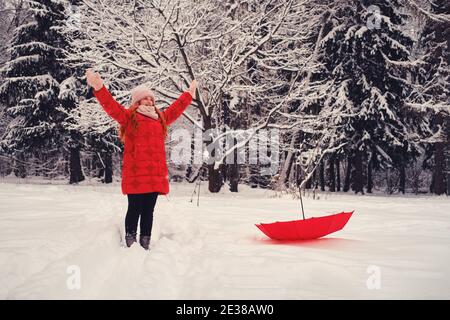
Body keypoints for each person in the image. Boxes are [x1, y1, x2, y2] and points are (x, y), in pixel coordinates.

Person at [86, 69, 197, 250]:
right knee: (134, 208)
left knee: (149, 211)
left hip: (155, 174)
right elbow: (112, 107)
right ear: (137, 101)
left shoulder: (160, 118)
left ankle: (145, 241)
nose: (150, 101)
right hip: (136, 174)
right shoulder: (130, 117)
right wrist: (99, 88)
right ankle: (131, 240)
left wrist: (188, 95)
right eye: (146, 98)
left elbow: (176, 109)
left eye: (152, 99)